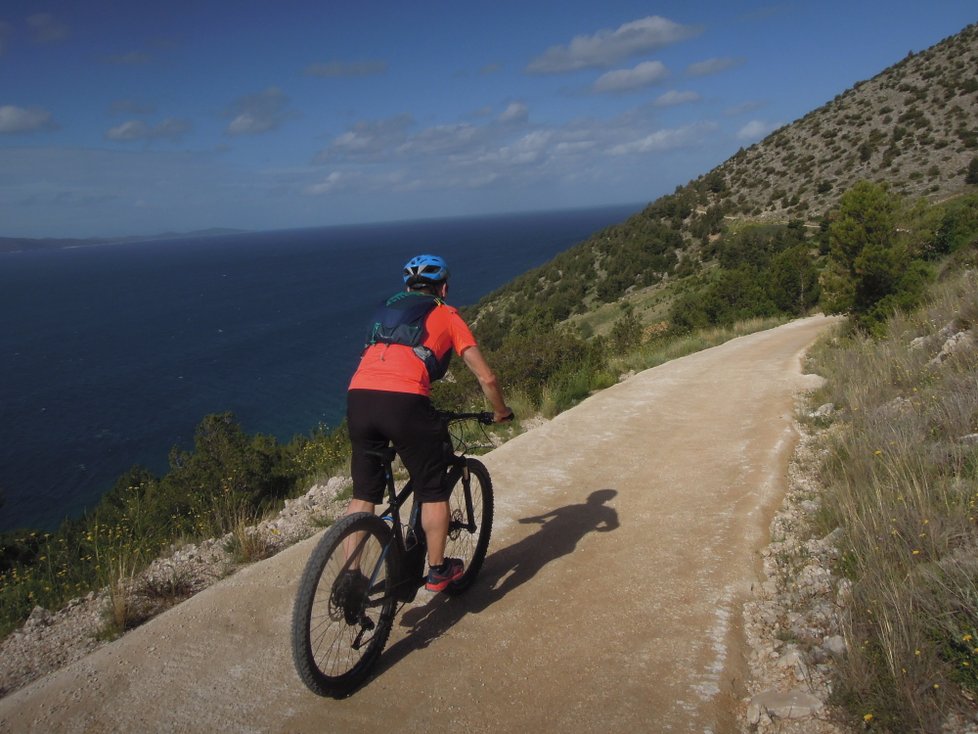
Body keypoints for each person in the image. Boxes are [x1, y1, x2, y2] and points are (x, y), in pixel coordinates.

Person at [345, 254, 512, 592]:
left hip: (358, 398)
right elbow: (487, 378)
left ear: (407, 287)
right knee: (432, 488)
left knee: (364, 493)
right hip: (405, 402)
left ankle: (351, 577)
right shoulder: (446, 314)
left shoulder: (385, 311)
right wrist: (500, 412)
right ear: (444, 288)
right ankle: (437, 569)